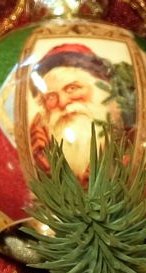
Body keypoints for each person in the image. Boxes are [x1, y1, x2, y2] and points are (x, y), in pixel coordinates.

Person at [27, 43, 124, 176]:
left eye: (72, 88)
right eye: (51, 96)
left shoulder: (126, 144)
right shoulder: (37, 147)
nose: (62, 102)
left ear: (99, 91)